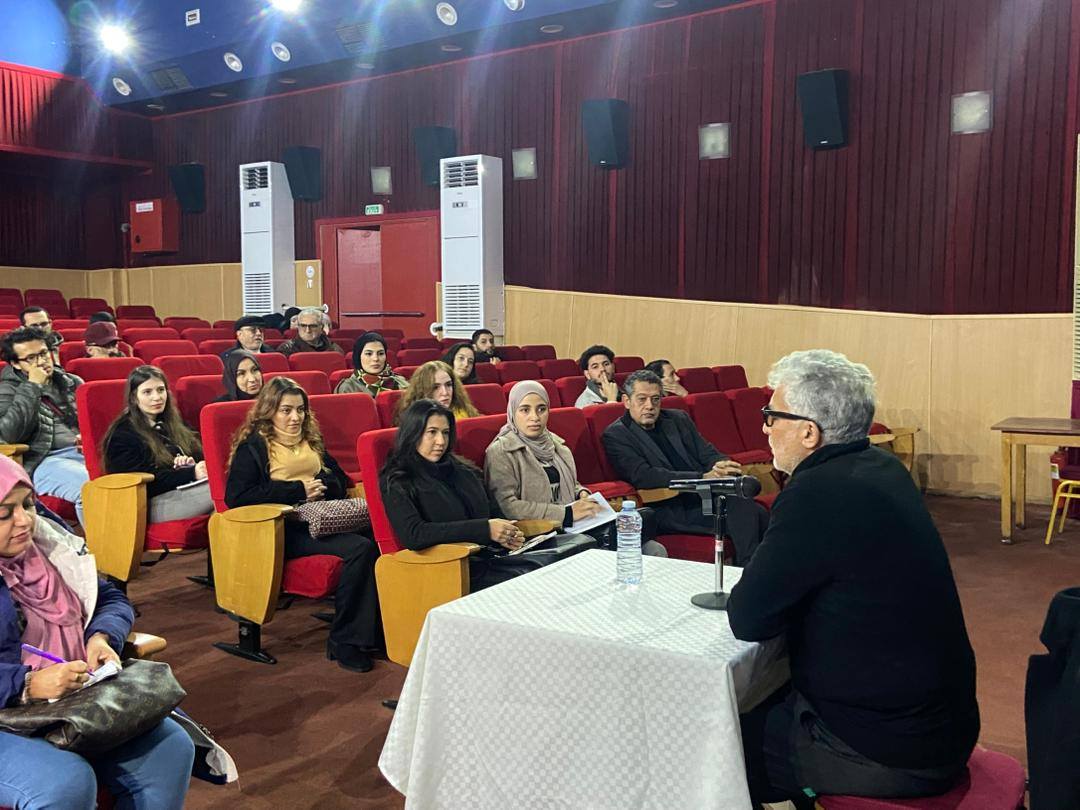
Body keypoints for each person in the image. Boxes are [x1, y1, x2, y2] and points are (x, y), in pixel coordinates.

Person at [728, 350, 979, 809]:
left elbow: (747, 617)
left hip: (889, 750)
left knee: (713, 738)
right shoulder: (881, 466)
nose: (765, 428)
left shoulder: (817, 492)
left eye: (772, 415)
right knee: (767, 695)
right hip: (943, 723)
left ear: (809, 432)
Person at [0, 453, 195, 809]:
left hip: (70, 700)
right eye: (4, 513)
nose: (25, 519)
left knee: (171, 748)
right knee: (65, 784)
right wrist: (26, 685)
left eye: (27, 504)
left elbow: (109, 597)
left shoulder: (48, 546)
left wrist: (101, 637)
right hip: (7, 712)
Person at [225, 376, 381, 673]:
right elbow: (238, 497)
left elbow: (340, 480)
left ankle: (373, 629)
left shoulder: (311, 440)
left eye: (300, 410)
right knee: (360, 549)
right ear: (270, 411)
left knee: (379, 538)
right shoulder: (254, 446)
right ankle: (344, 641)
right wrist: (297, 490)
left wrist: (321, 486)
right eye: (286, 410)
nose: (295, 417)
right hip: (281, 528)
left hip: (321, 517)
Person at [601, 369, 767, 565]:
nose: (650, 406)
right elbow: (643, 475)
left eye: (655, 399)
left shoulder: (678, 419)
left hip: (703, 497)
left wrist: (721, 464)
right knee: (746, 510)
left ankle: (752, 571)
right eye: (642, 399)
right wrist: (701, 478)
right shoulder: (616, 434)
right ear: (626, 401)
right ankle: (749, 571)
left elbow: (707, 452)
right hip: (667, 505)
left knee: (757, 512)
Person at [485, 381, 667, 556]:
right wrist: (567, 514)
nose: (535, 417)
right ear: (513, 412)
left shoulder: (556, 445)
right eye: (525, 410)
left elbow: (571, 483)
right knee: (626, 541)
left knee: (654, 548)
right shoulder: (501, 451)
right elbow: (507, 507)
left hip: (576, 526)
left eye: (541, 409)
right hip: (540, 534)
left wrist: (582, 493)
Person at [380, 399, 528, 591]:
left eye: (445, 433)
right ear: (413, 433)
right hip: (450, 569)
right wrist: (485, 529)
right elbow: (414, 534)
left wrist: (509, 534)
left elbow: (493, 512)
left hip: (493, 557)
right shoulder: (397, 478)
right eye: (432, 432)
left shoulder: (465, 470)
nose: (441, 441)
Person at [102, 366, 213, 524]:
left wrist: (191, 464)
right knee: (223, 488)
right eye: (147, 392)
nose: (157, 397)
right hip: (149, 503)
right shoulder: (122, 434)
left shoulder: (174, 423)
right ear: (134, 398)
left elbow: (200, 454)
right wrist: (190, 473)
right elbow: (139, 484)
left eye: (161, 390)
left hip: (184, 489)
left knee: (222, 509)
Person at [0, 327, 87, 524]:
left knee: (126, 478)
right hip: (43, 460)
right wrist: (33, 387)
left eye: (43, 353)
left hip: (85, 453)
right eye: (31, 358)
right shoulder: (6, 390)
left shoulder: (72, 382)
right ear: (15, 363)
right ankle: (101, 544)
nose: (41, 362)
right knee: (91, 488)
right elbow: (8, 435)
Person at [394, 361, 479, 424]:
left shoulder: (465, 414)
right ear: (422, 390)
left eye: (448, 385)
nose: (445, 393)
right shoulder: (413, 421)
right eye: (435, 387)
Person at [335, 332, 408, 396]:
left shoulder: (400, 381)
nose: (376, 359)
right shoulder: (348, 387)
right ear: (358, 357)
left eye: (381, 353)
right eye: (369, 354)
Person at [277, 307, 343, 357]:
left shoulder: (334, 349)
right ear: (298, 327)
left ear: (321, 327)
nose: (308, 330)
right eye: (303, 326)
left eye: (313, 326)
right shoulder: (287, 349)